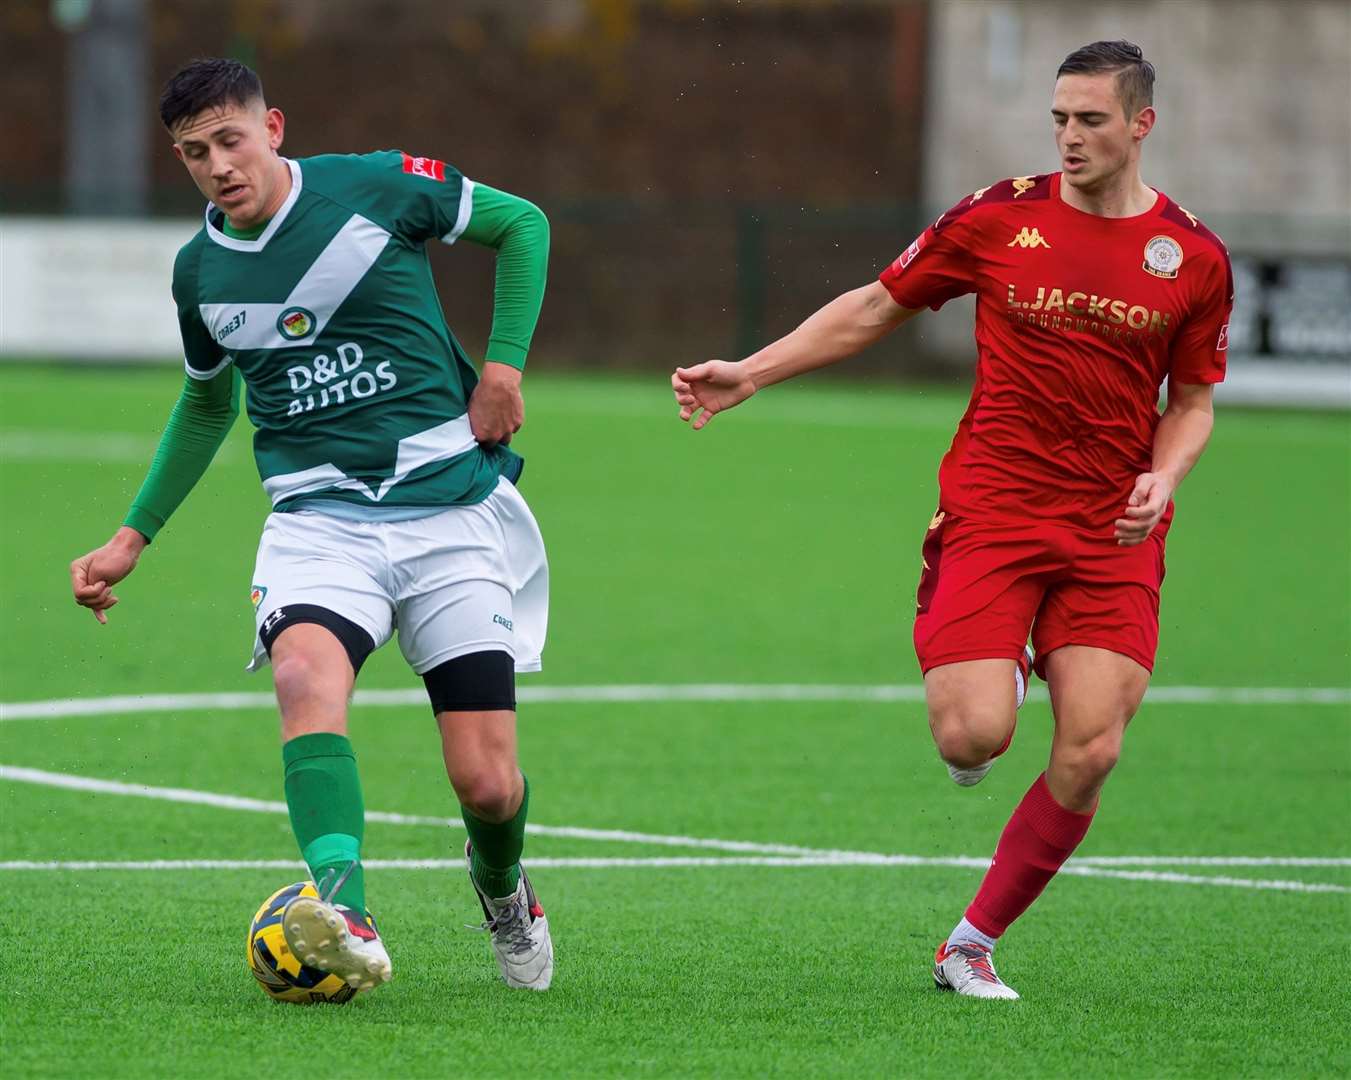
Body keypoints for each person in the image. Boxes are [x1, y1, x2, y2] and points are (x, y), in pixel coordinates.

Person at [671, 40, 1230, 1000]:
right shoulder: (996, 216)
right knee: (972, 739)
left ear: (1140, 125)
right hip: (997, 507)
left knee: (1093, 744)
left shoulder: (1193, 256)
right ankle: (997, 658)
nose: (1069, 137)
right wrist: (750, 372)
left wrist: (1166, 475)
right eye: (1058, 118)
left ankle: (969, 943)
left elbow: (1192, 399)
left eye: (1090, 120)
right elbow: (874, 307)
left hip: (1112, 528)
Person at [69, 58, 555, 993]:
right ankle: (344, 912)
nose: (217, 165)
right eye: (193, 152)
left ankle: (502, 889)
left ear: (273, 128)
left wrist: (502, 370)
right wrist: (134, 536)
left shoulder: (372, 188)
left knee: (487, 784)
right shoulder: (199, 273)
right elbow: (208, 405)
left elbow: (520, 225)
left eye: (230, 140)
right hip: (317, 523)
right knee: (302, 670)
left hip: (449, 512)